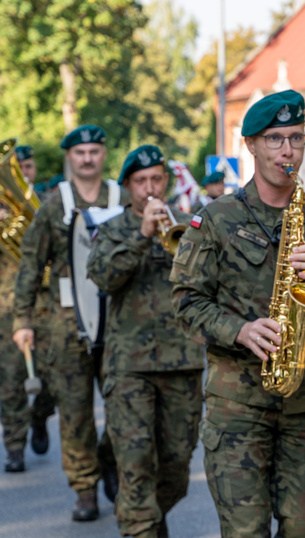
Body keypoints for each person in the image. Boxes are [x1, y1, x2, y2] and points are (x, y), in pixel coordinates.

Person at [170, 90, 305, 537]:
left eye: (297, 139)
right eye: (276, 139)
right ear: (251, 144)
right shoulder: (215, 220)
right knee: (245, 532)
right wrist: (238, 330)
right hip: (238, 408)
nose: (288, 151)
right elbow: (186, 302)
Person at [87, 145, 204, 538]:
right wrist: (141, 236)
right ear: (127, 186)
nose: (149, 188)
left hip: (183, 362)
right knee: (136, 466)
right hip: (129, 367)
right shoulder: (113, 228)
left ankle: (151, 515)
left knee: (176, 468)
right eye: (140, 181)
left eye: (156, 179)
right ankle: (141, 525)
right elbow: (104, 277)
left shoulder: (190, 225)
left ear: (166, 182)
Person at [13, 125, 124, 521]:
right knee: (75, 415)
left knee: (124, 409)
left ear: (103, 155)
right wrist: (23, 318)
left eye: (95, 150)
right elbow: (30, 264)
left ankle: (109, 459)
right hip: (65, 326)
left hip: (117, 325)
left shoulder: (121, 197)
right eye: (80, 153)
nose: (88, 158)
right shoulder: (53, 204)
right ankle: (84, 488)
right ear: (69, 158)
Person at [0, 145, 57, 473]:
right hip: (7, 309)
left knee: (52, 376)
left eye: (28, 167)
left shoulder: (48, 204)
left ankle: (40, 416)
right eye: (17, 167)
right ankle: (15, 446)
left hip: (45, 305)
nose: (23, 173)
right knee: (11, 379)